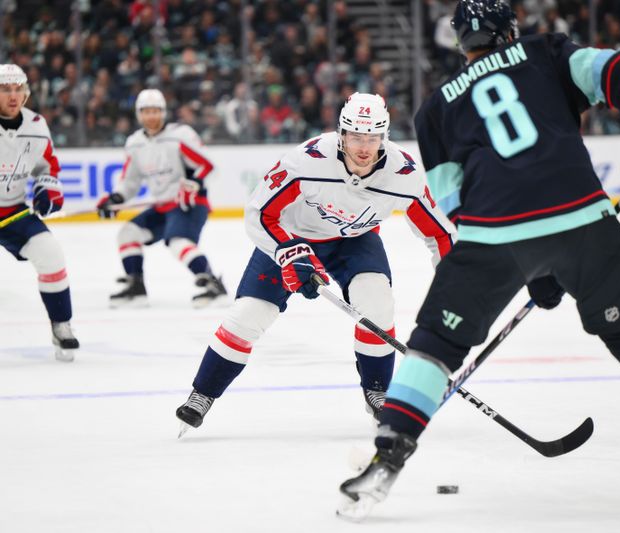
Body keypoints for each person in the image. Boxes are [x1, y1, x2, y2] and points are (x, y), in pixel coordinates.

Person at [337, 0, 620, 521]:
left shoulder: (434, 108)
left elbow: (454, 204)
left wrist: (527, 265)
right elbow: (618, 68)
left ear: (460, 43)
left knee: (435, 344)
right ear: (510, 30)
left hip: (496, 236)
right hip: (585, 222)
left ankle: (386, 459)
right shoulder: (545, 52)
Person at [174, 92, 455, 435]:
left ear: (385, 137)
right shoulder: (307, 161)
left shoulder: (404, 174)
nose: (363, 147)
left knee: (378, 304)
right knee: (248, 317)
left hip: (354, 243)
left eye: (372, 138)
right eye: (355, 137)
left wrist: (454, 278)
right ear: (341, 133)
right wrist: (289, 252)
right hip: (292, 237)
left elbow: (440, 233)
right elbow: (259, 213)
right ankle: (202, 394)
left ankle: (378, 390)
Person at [96, 88, 227, 308]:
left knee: (178, 242)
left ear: (163, 112)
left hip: (189, 203)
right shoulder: (134, 143)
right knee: (128, 234)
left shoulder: (180, 135)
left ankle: (214, 286)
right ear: (139, 114)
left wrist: (194, 183)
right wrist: (115, 198)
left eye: (156, 111)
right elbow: (130, 181)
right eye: (146, 111)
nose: (151, 116)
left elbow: (208, 165)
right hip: (162, 206)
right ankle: (136, 288)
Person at [0, 64, 79, 362]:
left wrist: (47, 189)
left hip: (15, 212)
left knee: (51, 254)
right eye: (5, 89)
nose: (13, 95)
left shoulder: (36, 124)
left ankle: (61, 324)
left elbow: (47, 165)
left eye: (18, 89)